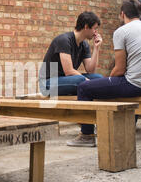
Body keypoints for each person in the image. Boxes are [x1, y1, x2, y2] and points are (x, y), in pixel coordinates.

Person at [74, 0, 141, 147]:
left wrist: (108, 82)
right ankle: (127, 127)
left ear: (122, 14)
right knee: (123, 85)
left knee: (84, 88)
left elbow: (119, 69)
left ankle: (86, 135)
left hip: (139, 85)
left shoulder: (122, 31)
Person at [39, 11, 104, 146]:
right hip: (49, 83)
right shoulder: (64, 40)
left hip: (68, 81)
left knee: (99, 78)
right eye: (94, 28)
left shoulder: (84, 44)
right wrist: (86, 81)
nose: (95, 32)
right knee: (82, 81)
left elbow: (90, 70)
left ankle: (96, 123)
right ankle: (87, 130)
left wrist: (96, 49)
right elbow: (69, 71)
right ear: (86, 27)